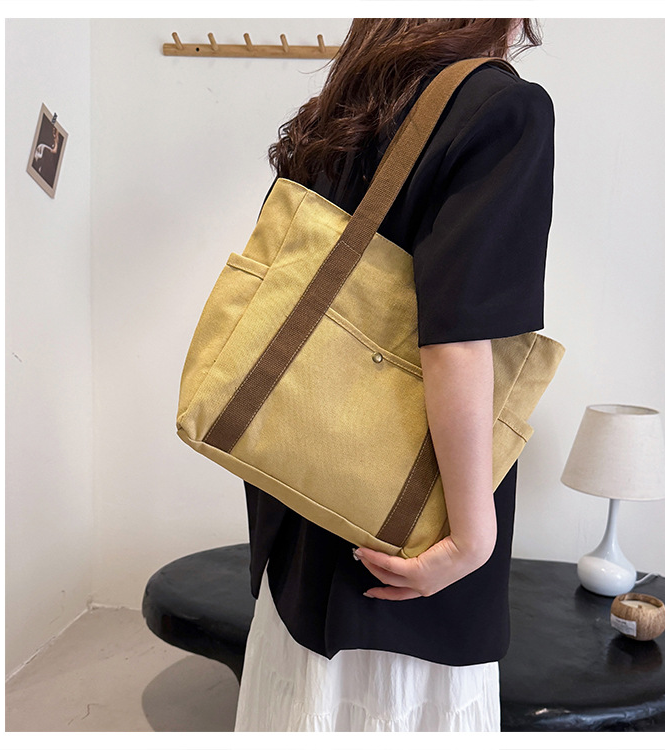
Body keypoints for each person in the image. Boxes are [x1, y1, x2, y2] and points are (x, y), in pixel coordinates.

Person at [234, 18, 553, 732]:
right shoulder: (504, 109)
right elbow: (456, 339)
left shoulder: (342, 106)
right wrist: (472, 537)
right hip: (405, 534)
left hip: (296, 517)